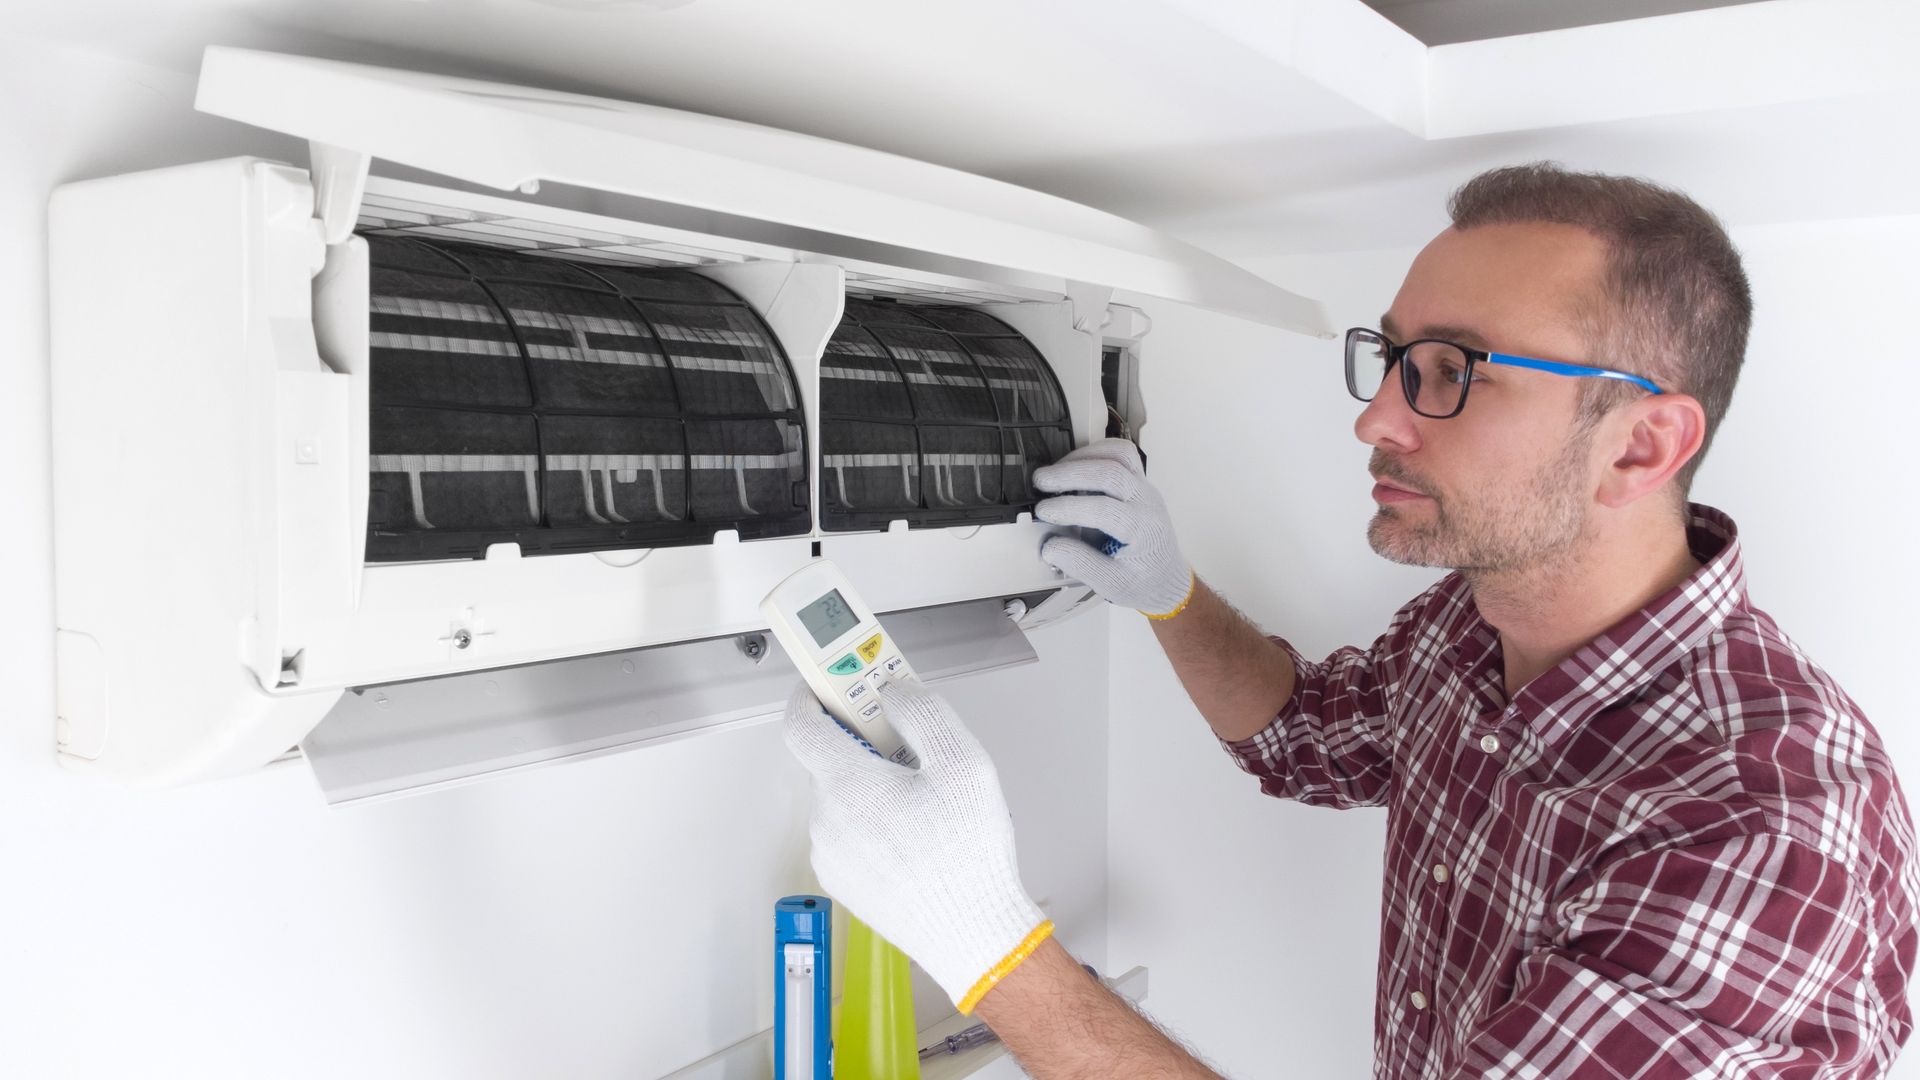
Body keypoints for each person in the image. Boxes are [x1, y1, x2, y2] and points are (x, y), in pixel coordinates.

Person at [781, 163, 1920, 1078]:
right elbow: (1309, 736)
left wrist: (984, 941)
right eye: (1390, 358)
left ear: (1641, 445)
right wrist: (1170, 595)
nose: (1378, 418)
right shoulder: (1474, 624)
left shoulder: (1759, 829)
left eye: (1452, 371)